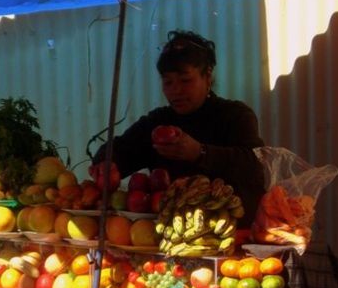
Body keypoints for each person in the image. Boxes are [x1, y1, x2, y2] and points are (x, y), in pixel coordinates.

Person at [91, 29, 266, 227]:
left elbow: (256, 166)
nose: (176, 91)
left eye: (185, 80)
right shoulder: (158, 122)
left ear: (207, 76)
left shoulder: (235, 115)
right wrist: (108, 165)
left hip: (230, 235)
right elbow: (120, 148)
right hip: (169, 238)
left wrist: (200, 153)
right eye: (168, 82)